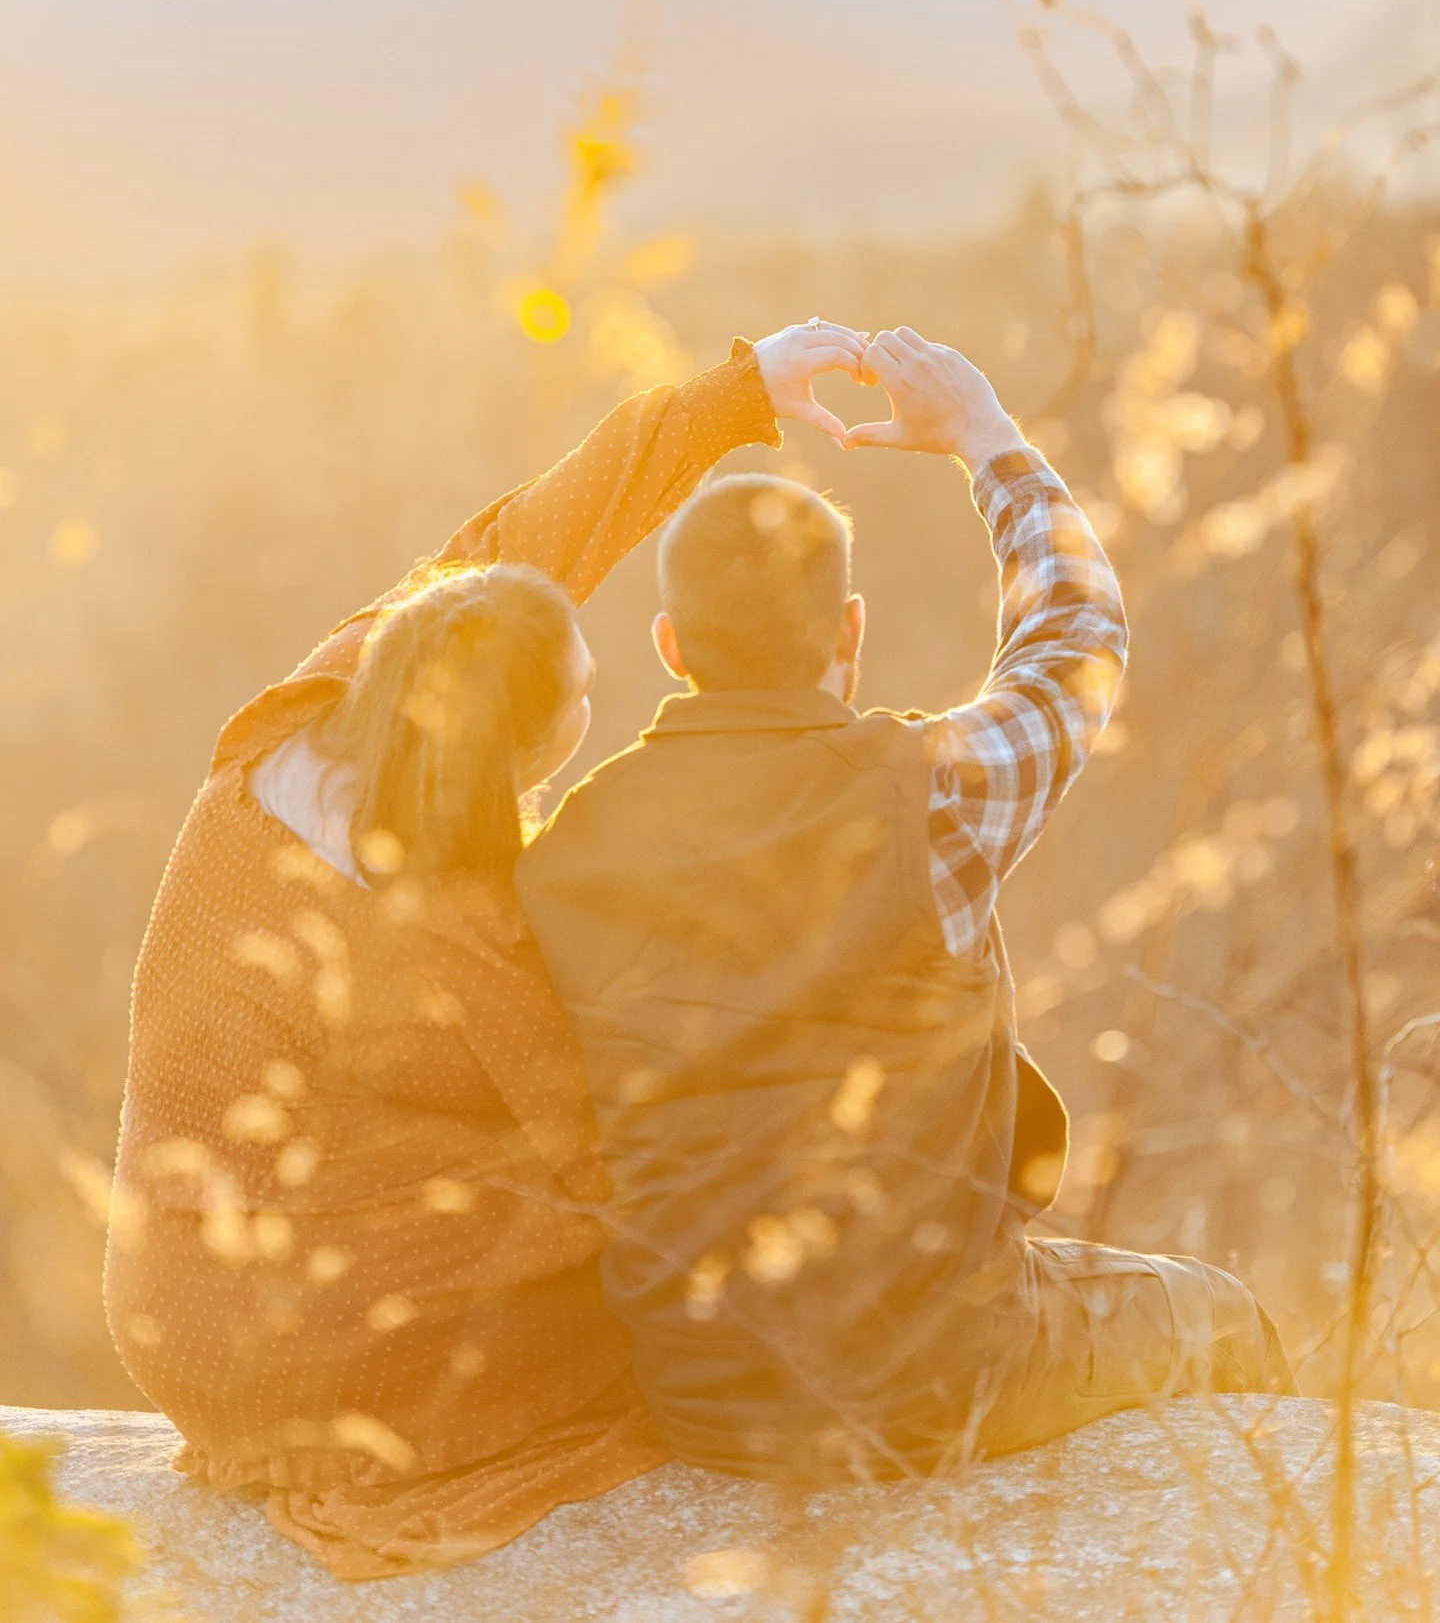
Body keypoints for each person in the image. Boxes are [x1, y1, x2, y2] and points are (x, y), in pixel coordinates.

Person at [103, 319, 870, 1581]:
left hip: (165, 1293)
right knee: (646, 1258)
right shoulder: (470, 936)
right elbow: (596, 1149)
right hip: (287, 1351)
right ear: (524, 746)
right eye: (580, 698)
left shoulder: (327, 699)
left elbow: (519, 544)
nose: (595, 700)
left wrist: (746, 391)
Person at [516, 325, 1293, 1483]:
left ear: (672, 645)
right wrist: (985, 438)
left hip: (695, 1390)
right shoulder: (931, 796)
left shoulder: (561, 853)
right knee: (1228, 1314)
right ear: (851, 631)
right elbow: (1076, 640)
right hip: (937, 1377)